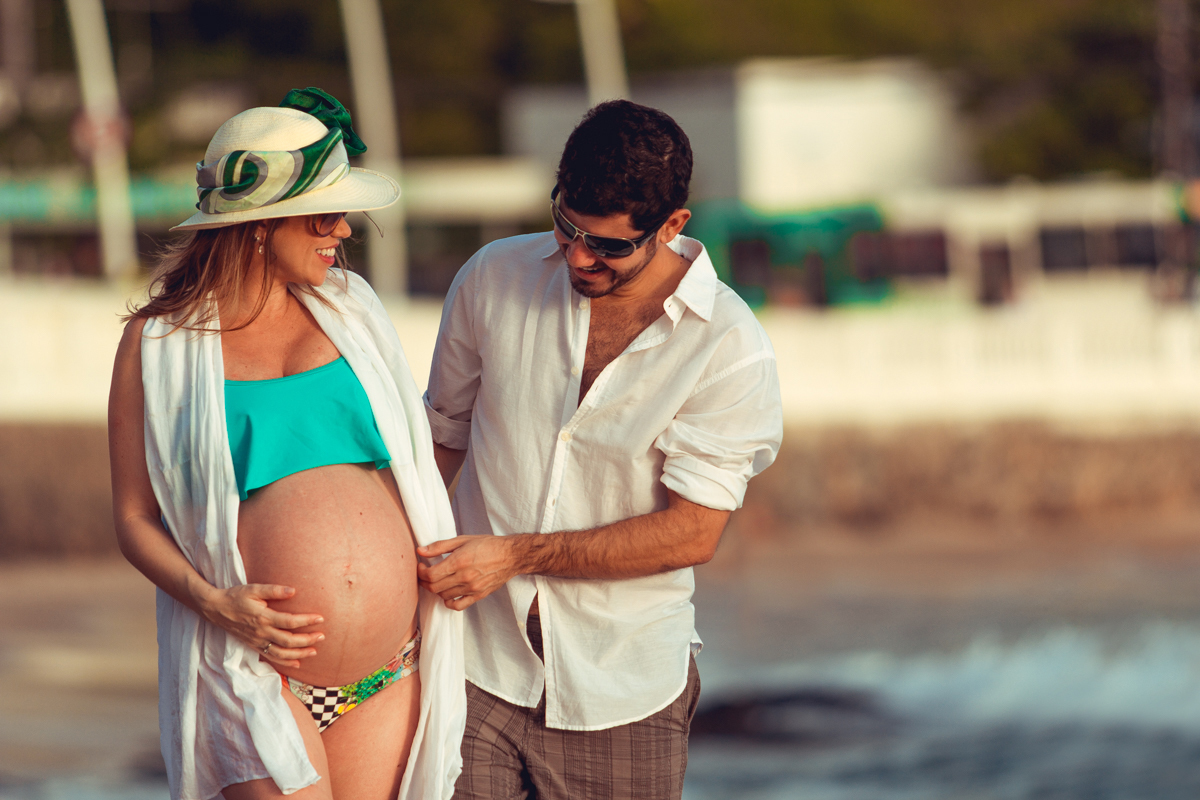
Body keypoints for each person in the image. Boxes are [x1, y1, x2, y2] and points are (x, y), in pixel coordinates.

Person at [418, 99, 783, 799]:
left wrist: (515, 555)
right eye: (566, 228)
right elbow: (439, 440)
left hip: (623, 689)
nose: (578, 256)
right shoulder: (493, 276)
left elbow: (693, 531)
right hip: (470, 663)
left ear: (672, 226)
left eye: (610, 246)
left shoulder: (729, 347)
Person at [107, 89, 464, 800]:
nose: (344, 231)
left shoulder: (354, 310)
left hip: (390, 668)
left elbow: (413, 465)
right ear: (261, 226)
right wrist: (215, 603)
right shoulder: (158, 344)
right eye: (324, 214)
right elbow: (134, 518)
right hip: (254, 664)